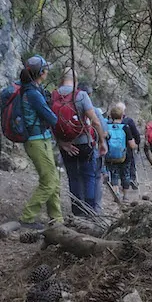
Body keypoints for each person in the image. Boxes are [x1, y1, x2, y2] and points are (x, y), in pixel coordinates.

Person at [9, 56, 61, 230]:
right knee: (49, 181)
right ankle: (27, 217)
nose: (47, 72)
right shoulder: (32, 93)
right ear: (41, 72)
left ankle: (57, 219)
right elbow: (52, 118)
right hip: (37, 141)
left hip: (40, 139)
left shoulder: (30, 89)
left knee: (53, 179)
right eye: (46, 69)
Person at [53, 70, 107, 217]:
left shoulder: (54, 95)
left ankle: (77, 212)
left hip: (66, 144)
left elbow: (50, 122)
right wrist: (102, 142)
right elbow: (95, 121)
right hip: (84, 142)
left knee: (73, 177)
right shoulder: (81, 95)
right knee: (89, 176)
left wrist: (61, 142)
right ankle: (90, 211)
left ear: (61, 79)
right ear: (75, 80)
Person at [105, 104, 139, 201]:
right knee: (125, 174)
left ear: (111, 116)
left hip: (111, 155)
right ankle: (125, 196)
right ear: (122, 116)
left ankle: (116, 195)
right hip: (125, 155)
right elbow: (132, 144)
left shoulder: (107, 127)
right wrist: (136, 146)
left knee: (114, 174)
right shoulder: (125, 127)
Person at [115, 103, 142, 192]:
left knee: (116, 168)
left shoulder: (110, 122)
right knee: (129, 164)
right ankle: (131, 179)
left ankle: (117, 186)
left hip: (113, 149)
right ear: (123, 111)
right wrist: (137, 143)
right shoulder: (128, 121)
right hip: (127, 147)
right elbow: (136, 133)